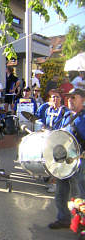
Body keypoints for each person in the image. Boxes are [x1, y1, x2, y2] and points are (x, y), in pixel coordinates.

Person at [48, 88, 85, 229]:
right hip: (65, 161)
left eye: (73, 97)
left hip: (80, 161)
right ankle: (63, 218)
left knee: (79, 195)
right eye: (68, 97)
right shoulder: (67, 116)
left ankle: (81, 224)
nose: (69, 100)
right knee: (61, 193)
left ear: (83, 100)